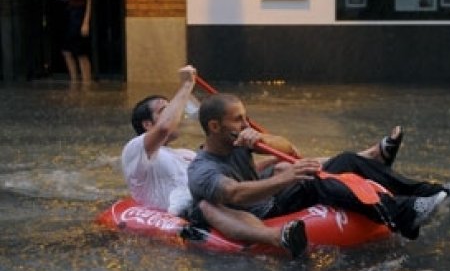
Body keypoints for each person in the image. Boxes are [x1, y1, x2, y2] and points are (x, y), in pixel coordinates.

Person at [121, 65, 403, 258]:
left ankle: (366, 158)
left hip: (216, 192)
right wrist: (185, 86)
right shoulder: (135, 152)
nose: (174, 112)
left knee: (279, 164)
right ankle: (276, 237)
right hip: (192, 209)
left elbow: (228, 177)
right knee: (207, 204)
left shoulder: (186, 155)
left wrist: (272, 165)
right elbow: (164, 130)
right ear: (146, 124)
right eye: (164, 109)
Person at [186, 93, 450, 251]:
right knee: (314, 180)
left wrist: (260, 139)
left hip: (277, 192)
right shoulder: (202, 169)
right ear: (214, 126)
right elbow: (234, 193)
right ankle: (405, 213)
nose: (244, 123)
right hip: (265, 211)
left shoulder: (237, 140)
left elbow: (287, 146)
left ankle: (428, 190)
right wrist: (288, 176)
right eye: (238, 119)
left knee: (346, 159)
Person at [61, 0, 92, 83]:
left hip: (80, 15)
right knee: (66, 51)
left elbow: (89, 1)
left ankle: (87, 81)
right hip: (71, 14)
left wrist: (86, 22)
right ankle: (74, 79)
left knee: (81, 53)